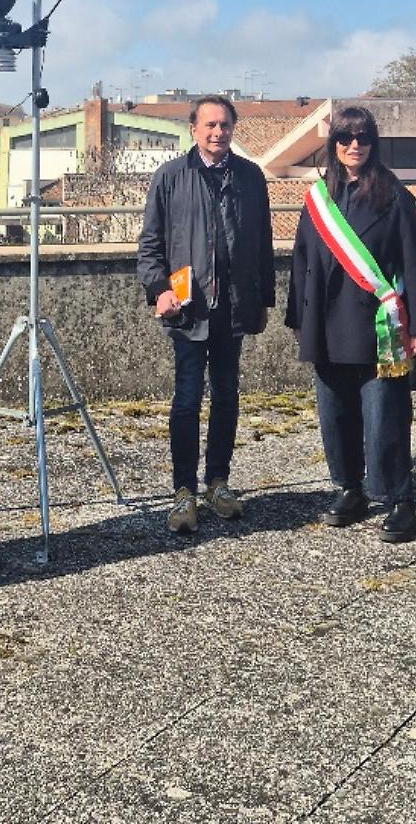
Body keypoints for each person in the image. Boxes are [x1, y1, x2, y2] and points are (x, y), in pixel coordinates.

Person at [286, 106, 416, 543]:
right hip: (326, 324)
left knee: (385, 414)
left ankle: (399, 499)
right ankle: (350, 488)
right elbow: (300, 262)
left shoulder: (393, 196)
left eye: (364, 137)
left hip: (379, 325)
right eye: (347, 138)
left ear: (374, 143)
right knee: (335, 413)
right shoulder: (318, 198)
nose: (356, 146)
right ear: (333, 144)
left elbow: (412, 261)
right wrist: (298, 316)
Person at [137, 95, 276, 534]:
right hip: (189, 309)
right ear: (193, 129)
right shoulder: (171, 177)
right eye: (210, 125)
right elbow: (150, 245)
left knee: (227, 396)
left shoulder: (251, 177)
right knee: (187, 399)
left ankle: (219, 482)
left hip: (234, 307)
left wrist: (264, 300)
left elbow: (263, 244)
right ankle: (183, 491)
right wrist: (158, 290)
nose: (218, 132)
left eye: (225, 125)